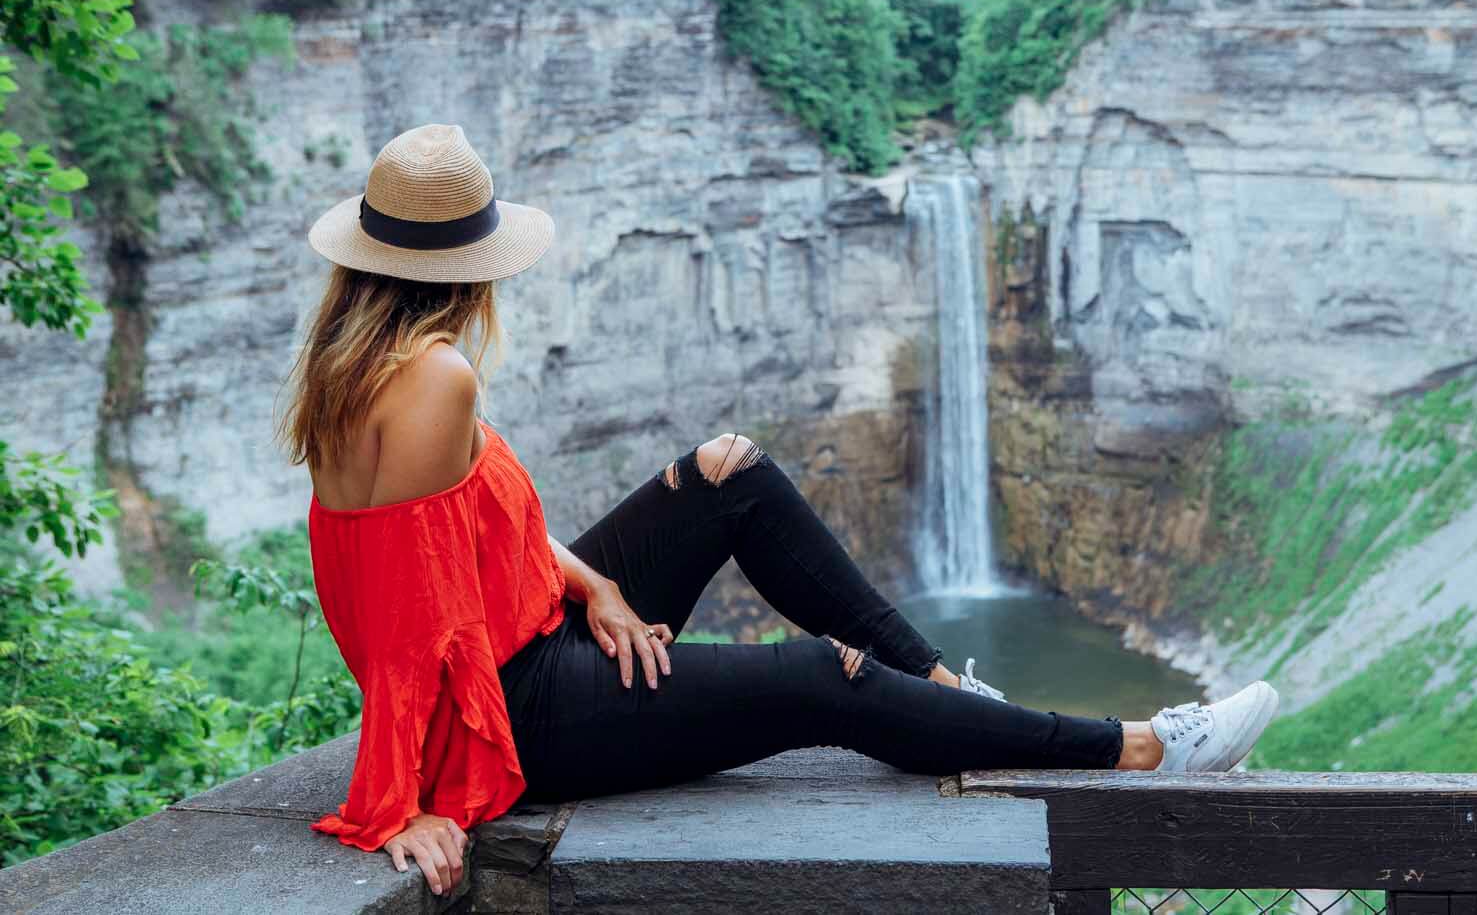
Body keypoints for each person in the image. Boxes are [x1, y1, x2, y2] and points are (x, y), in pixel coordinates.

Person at [278, 124, 1280, 898]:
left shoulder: (349, 368)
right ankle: (1142, 746)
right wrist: (397, 805)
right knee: (816, 674)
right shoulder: (436, 378)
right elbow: (410, 616)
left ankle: (950, 693)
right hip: (509, 714)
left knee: (728, 471)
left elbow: (460, 542)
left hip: (524, 638)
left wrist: (600, 586)